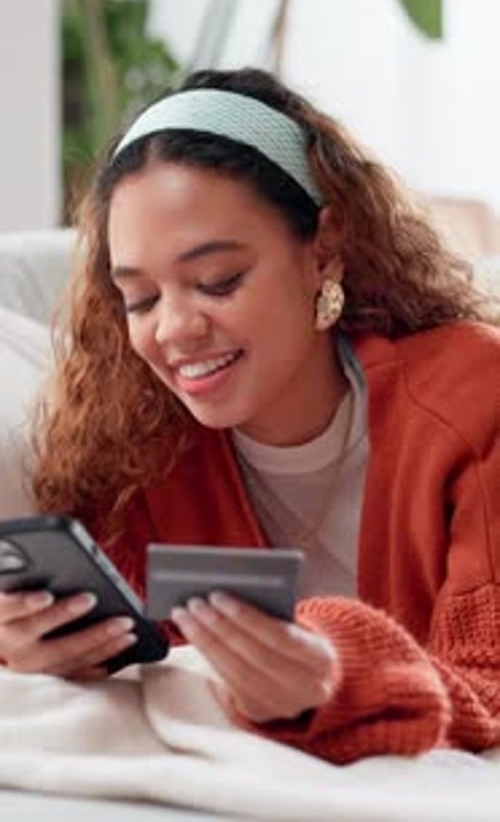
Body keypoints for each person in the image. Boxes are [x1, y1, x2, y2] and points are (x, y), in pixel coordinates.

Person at [1, 67, 499, 765]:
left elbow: (491, 682)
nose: (174, 329)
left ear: (323, 250)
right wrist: (33, 649)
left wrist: (333, 672)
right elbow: (135, 676)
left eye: (217, 281)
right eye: (140, 300)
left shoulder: (475, 397)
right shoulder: (130, 448)